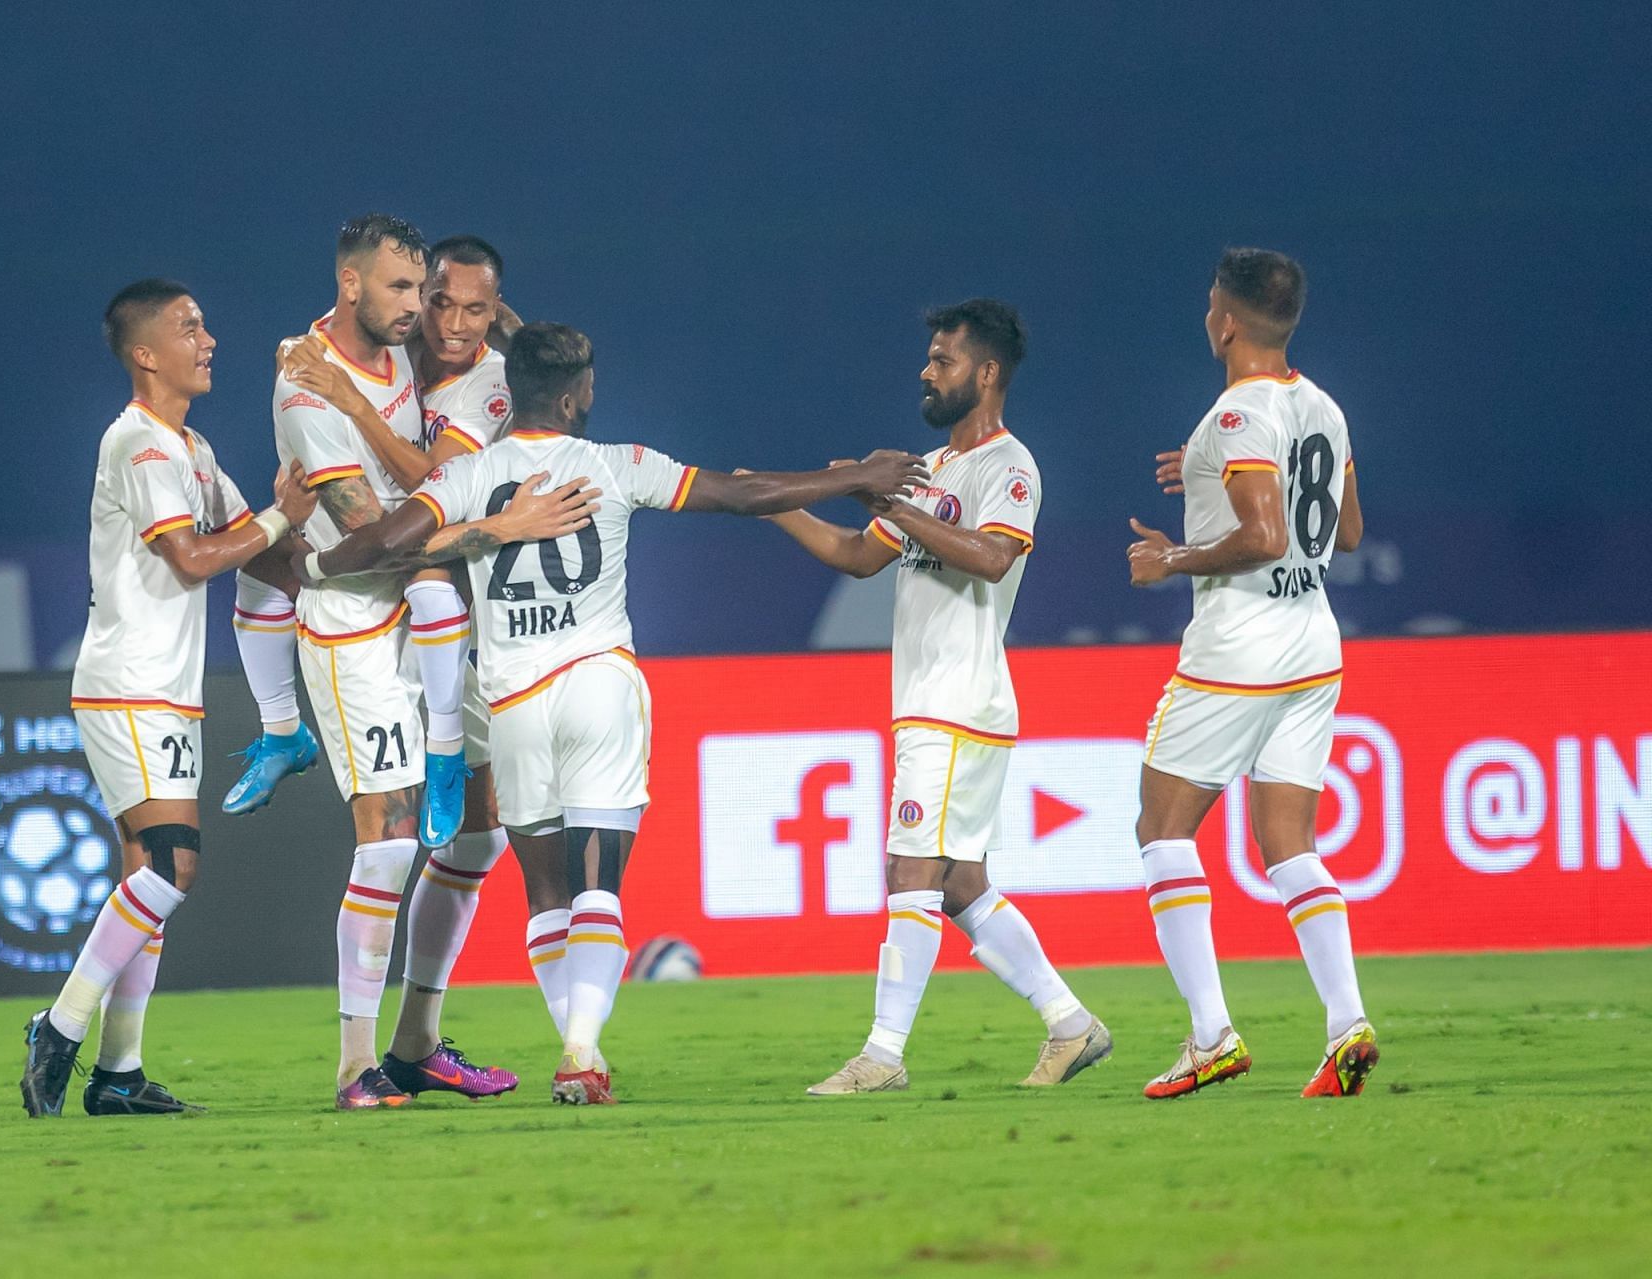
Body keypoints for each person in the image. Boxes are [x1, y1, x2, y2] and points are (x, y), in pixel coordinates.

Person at [293, 321, 929, 1103]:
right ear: (573, 395)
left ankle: (579, 1051)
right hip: (598, 684)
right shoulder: (619, 464)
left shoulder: (466, 475)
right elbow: (744, 496)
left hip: (515, 701)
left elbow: (386, 541)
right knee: (599, 887)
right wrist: (854, 477)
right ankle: (580, 1050)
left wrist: (315, 563)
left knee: (546, 896)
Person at [268, 215, 595, 1108]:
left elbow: (419, 498)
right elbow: (378, 536)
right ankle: (353, 1068)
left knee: (480, 836)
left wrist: (360, 393)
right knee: (388, 843)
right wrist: (498, 526)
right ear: (355, 286)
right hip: (357, 619)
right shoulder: (316, 381)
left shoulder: (469, 376)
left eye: (457, 305)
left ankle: (416, 1042)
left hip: (443, 610)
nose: (434, 316)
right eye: (416, 294)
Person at [760, 299, 1109, 1095]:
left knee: (909, 869)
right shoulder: (933, 469)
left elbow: (989, 557)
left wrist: (896, 506)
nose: (926, 370)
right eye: (928, 357)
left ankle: (882, 1055)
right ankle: (1070, 1023)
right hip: (930, 700)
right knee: (956, 882)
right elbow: (856, 555)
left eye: (943, 359)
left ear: (985, 374)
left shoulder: (1008, 466)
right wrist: (779, 506)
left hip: (960, 698)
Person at [19, 279, 318, 1117]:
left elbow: (254, 553)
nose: (209, 339)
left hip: (165, 692)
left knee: (149, 873)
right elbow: (193, 558)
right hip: (128, 684)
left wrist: (332, 569)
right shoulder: (140, 445)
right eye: (189, 328)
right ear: (146, 353)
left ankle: (119, 1074)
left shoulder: (193, 450)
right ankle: (60, 1026)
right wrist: (278, 515)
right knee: (169, 865)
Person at [1125, 247, 1374, 1099]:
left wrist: (1175, 557)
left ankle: (1211, 1036)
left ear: (1227, 321)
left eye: (1209, 304)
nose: (1206, 316)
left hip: (1240, 648)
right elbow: (1344, 533)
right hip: (1314, 643)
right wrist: (1199, 474)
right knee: (1287, 844)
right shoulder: (1324, 407)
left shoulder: (1236, 415)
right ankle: (1347, 1023)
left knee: (1160, 830)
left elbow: (1265, 533)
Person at [223, 235, 518, 851]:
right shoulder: (403, 341)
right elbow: (346, 323)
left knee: (429, 588)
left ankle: (443, 754)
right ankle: (280, 731)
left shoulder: (490, 383)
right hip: (371, 580)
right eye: (438, 301)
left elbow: (434, 482)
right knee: (258, 560)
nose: (452, 324)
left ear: (494, 311)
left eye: (476, 310)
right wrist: (297, 353)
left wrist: (353, 405)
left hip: (455, 542)